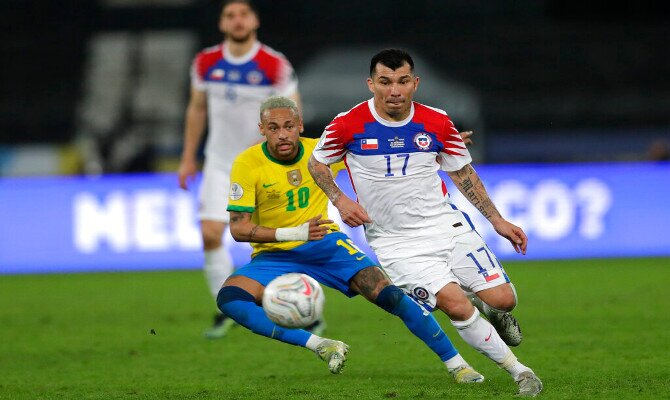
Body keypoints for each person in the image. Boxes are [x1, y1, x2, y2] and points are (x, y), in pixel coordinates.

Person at [307, 49, 543, 397]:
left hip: (446, 226)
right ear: (371, 84)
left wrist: (497, 220)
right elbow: (317, 163)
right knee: (455, 305)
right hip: (396, 242)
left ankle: (486, 305)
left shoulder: (436, 121)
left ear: (415, 83)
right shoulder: (347, 123)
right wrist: (340, 200)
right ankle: (521, 373)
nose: (394, 91)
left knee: (504, 300)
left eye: (402, 81)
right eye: (385, 82)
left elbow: (462, 172)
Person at [217, 95, 485, 382]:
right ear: (262, 129)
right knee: (231, 299)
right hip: (274, 255)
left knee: (390, 296)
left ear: (300, 125)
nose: (282, 134)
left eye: (288, 126)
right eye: (273, 128)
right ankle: (322, 346)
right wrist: (295, 233)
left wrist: (438, 142)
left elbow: (382, 148)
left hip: (326, 246)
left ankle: (458, 366)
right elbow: (238, 228)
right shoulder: (247, 163)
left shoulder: (320, 151)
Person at [177, 0, 304, 338]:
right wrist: (188, 156)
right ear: (222, 23)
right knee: (209, 234)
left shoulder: (274, 64)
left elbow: (293, 114)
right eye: (230, 15)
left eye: (243, 14)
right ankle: (230, 308)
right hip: (219, 163)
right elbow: (197, 109)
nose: (237, 21)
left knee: (278, 243)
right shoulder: (205, 62)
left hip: (263, 165)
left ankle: (296, 307)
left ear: (255, 20)